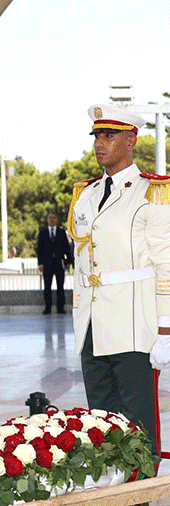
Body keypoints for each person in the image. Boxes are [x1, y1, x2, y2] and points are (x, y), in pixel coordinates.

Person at [68, 103, 170, 457]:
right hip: (92, 325)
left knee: (137, 421)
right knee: (101, 420)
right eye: (97, 135)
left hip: (132, 324)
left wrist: (165, 331)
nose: (100, 143)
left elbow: (166, 266)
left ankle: (140, 490)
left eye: (109, 135)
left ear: (131, 141)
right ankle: (109, 490)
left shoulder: (151, 193)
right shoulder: (87, 194)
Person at [36, 212, 74, 315]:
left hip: (59, 263)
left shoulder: (61, 232)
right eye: (50, 218)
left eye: (54, 218)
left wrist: (69, 261)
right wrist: (40, 263)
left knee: (60, 287)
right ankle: (47, 308)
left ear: (56, 220)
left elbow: (67, 247)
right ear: (47, 220)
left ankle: (60, 308)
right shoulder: (43, 233)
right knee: (47, 287)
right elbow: (39, 249)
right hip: (47, 264)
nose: (52, 219)